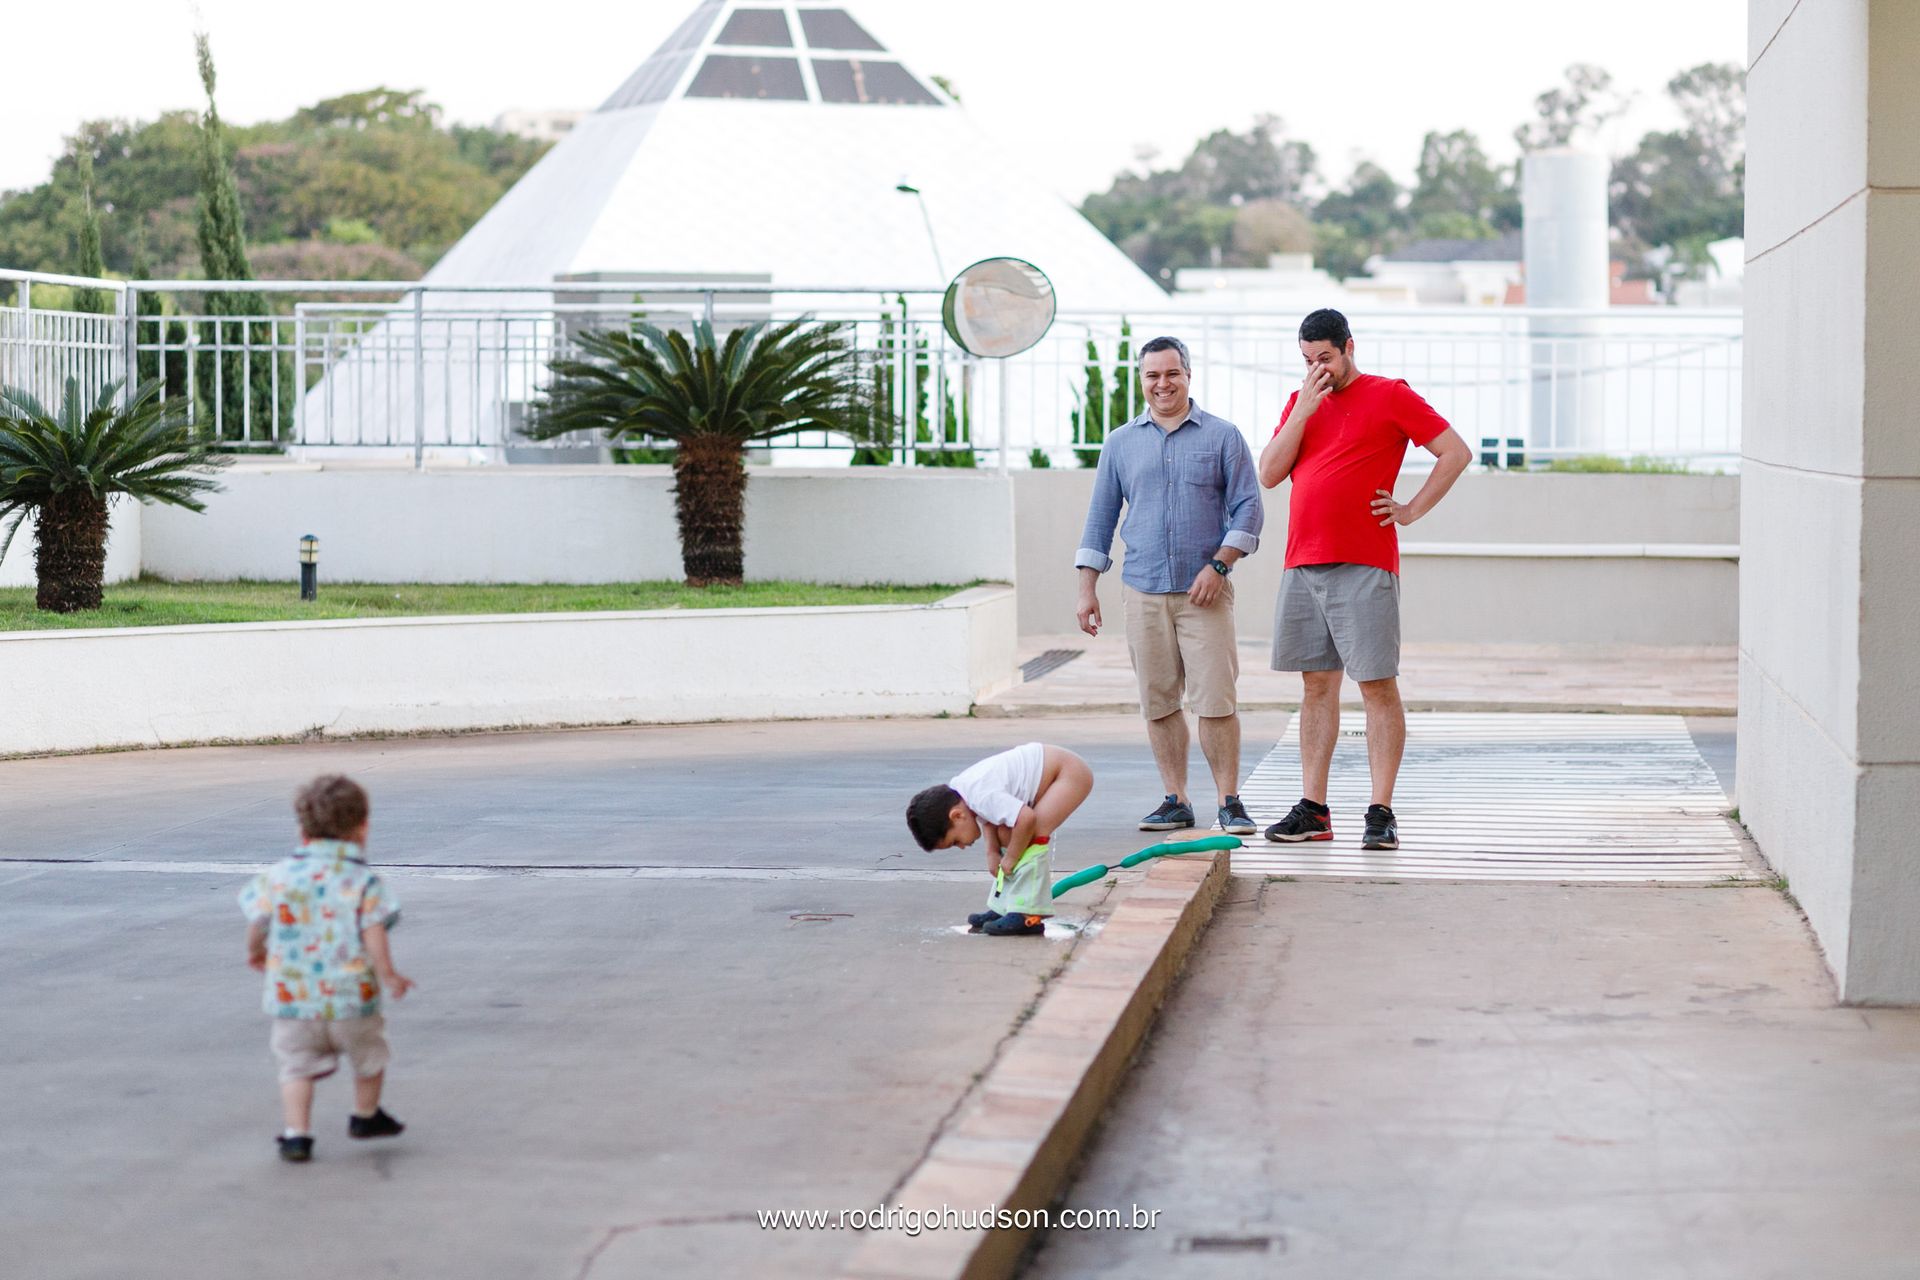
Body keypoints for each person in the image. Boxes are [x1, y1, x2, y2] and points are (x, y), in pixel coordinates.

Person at [1257, 308, 1473, 851]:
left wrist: (1411, 510)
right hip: (1303, 562)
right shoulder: (1302, 401)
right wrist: (1304, 408)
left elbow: (1456, 451)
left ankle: (1380, 811)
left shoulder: (1390, 394)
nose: (1317, 370)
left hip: (1364, 562)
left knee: (1377, 685)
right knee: (1316, 685)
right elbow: (1269, 473)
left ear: (1349, 346)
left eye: (1325, 358)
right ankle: (1313, 809)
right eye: (1308, 361)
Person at [1074, 335, 1264, 837]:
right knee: (1158, 701)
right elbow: (1100, 518)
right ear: (1142, 380)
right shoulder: (1119, 443)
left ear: (1187, 375)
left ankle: (1229, 801)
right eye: (1152, 376)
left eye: (1171, 374)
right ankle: (1175, 799)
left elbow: (1249, 508)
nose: (1162, 384)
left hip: (1206, 593)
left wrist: (1219, 565)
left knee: (1216, 701)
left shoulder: (1223, 437)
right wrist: (1086, 588)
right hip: (1142, 591)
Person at [239, 774, 415, 1163]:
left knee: (295, 1068)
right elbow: (373, 933)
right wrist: (388, 974)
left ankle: (297, 1135)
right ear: (362, 827)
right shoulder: (363, 880)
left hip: (294, 999)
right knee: (370, 1057)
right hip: (351, 1000)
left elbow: (259, 919)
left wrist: (257, 950)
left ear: (301, 829)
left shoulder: (279, 876)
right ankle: (365, 1116)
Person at [905, 742, 1094, 936]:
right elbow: (990, 820)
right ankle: (1005, 907)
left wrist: (1011, 857)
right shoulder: (963, 793)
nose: (961, 846)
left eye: (955, 841)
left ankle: (1028, 916)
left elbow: (1026, 818)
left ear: (957, 816)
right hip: (1057, 770)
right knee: (1007, 835)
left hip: (1068, 775)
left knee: (1031, 837)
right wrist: (993, 852)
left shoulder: (980, 795)